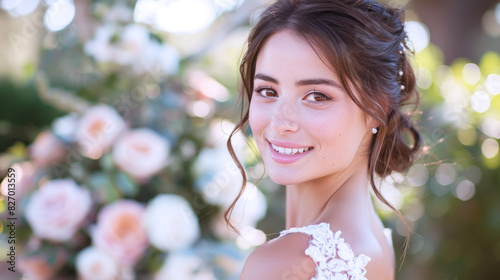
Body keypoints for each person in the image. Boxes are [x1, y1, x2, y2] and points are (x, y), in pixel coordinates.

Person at [225, 0, 421, 279]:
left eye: (317, 96)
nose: (281, 123)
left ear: (378, 108)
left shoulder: (282, 264)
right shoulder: (372, 240)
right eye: (268, 91)